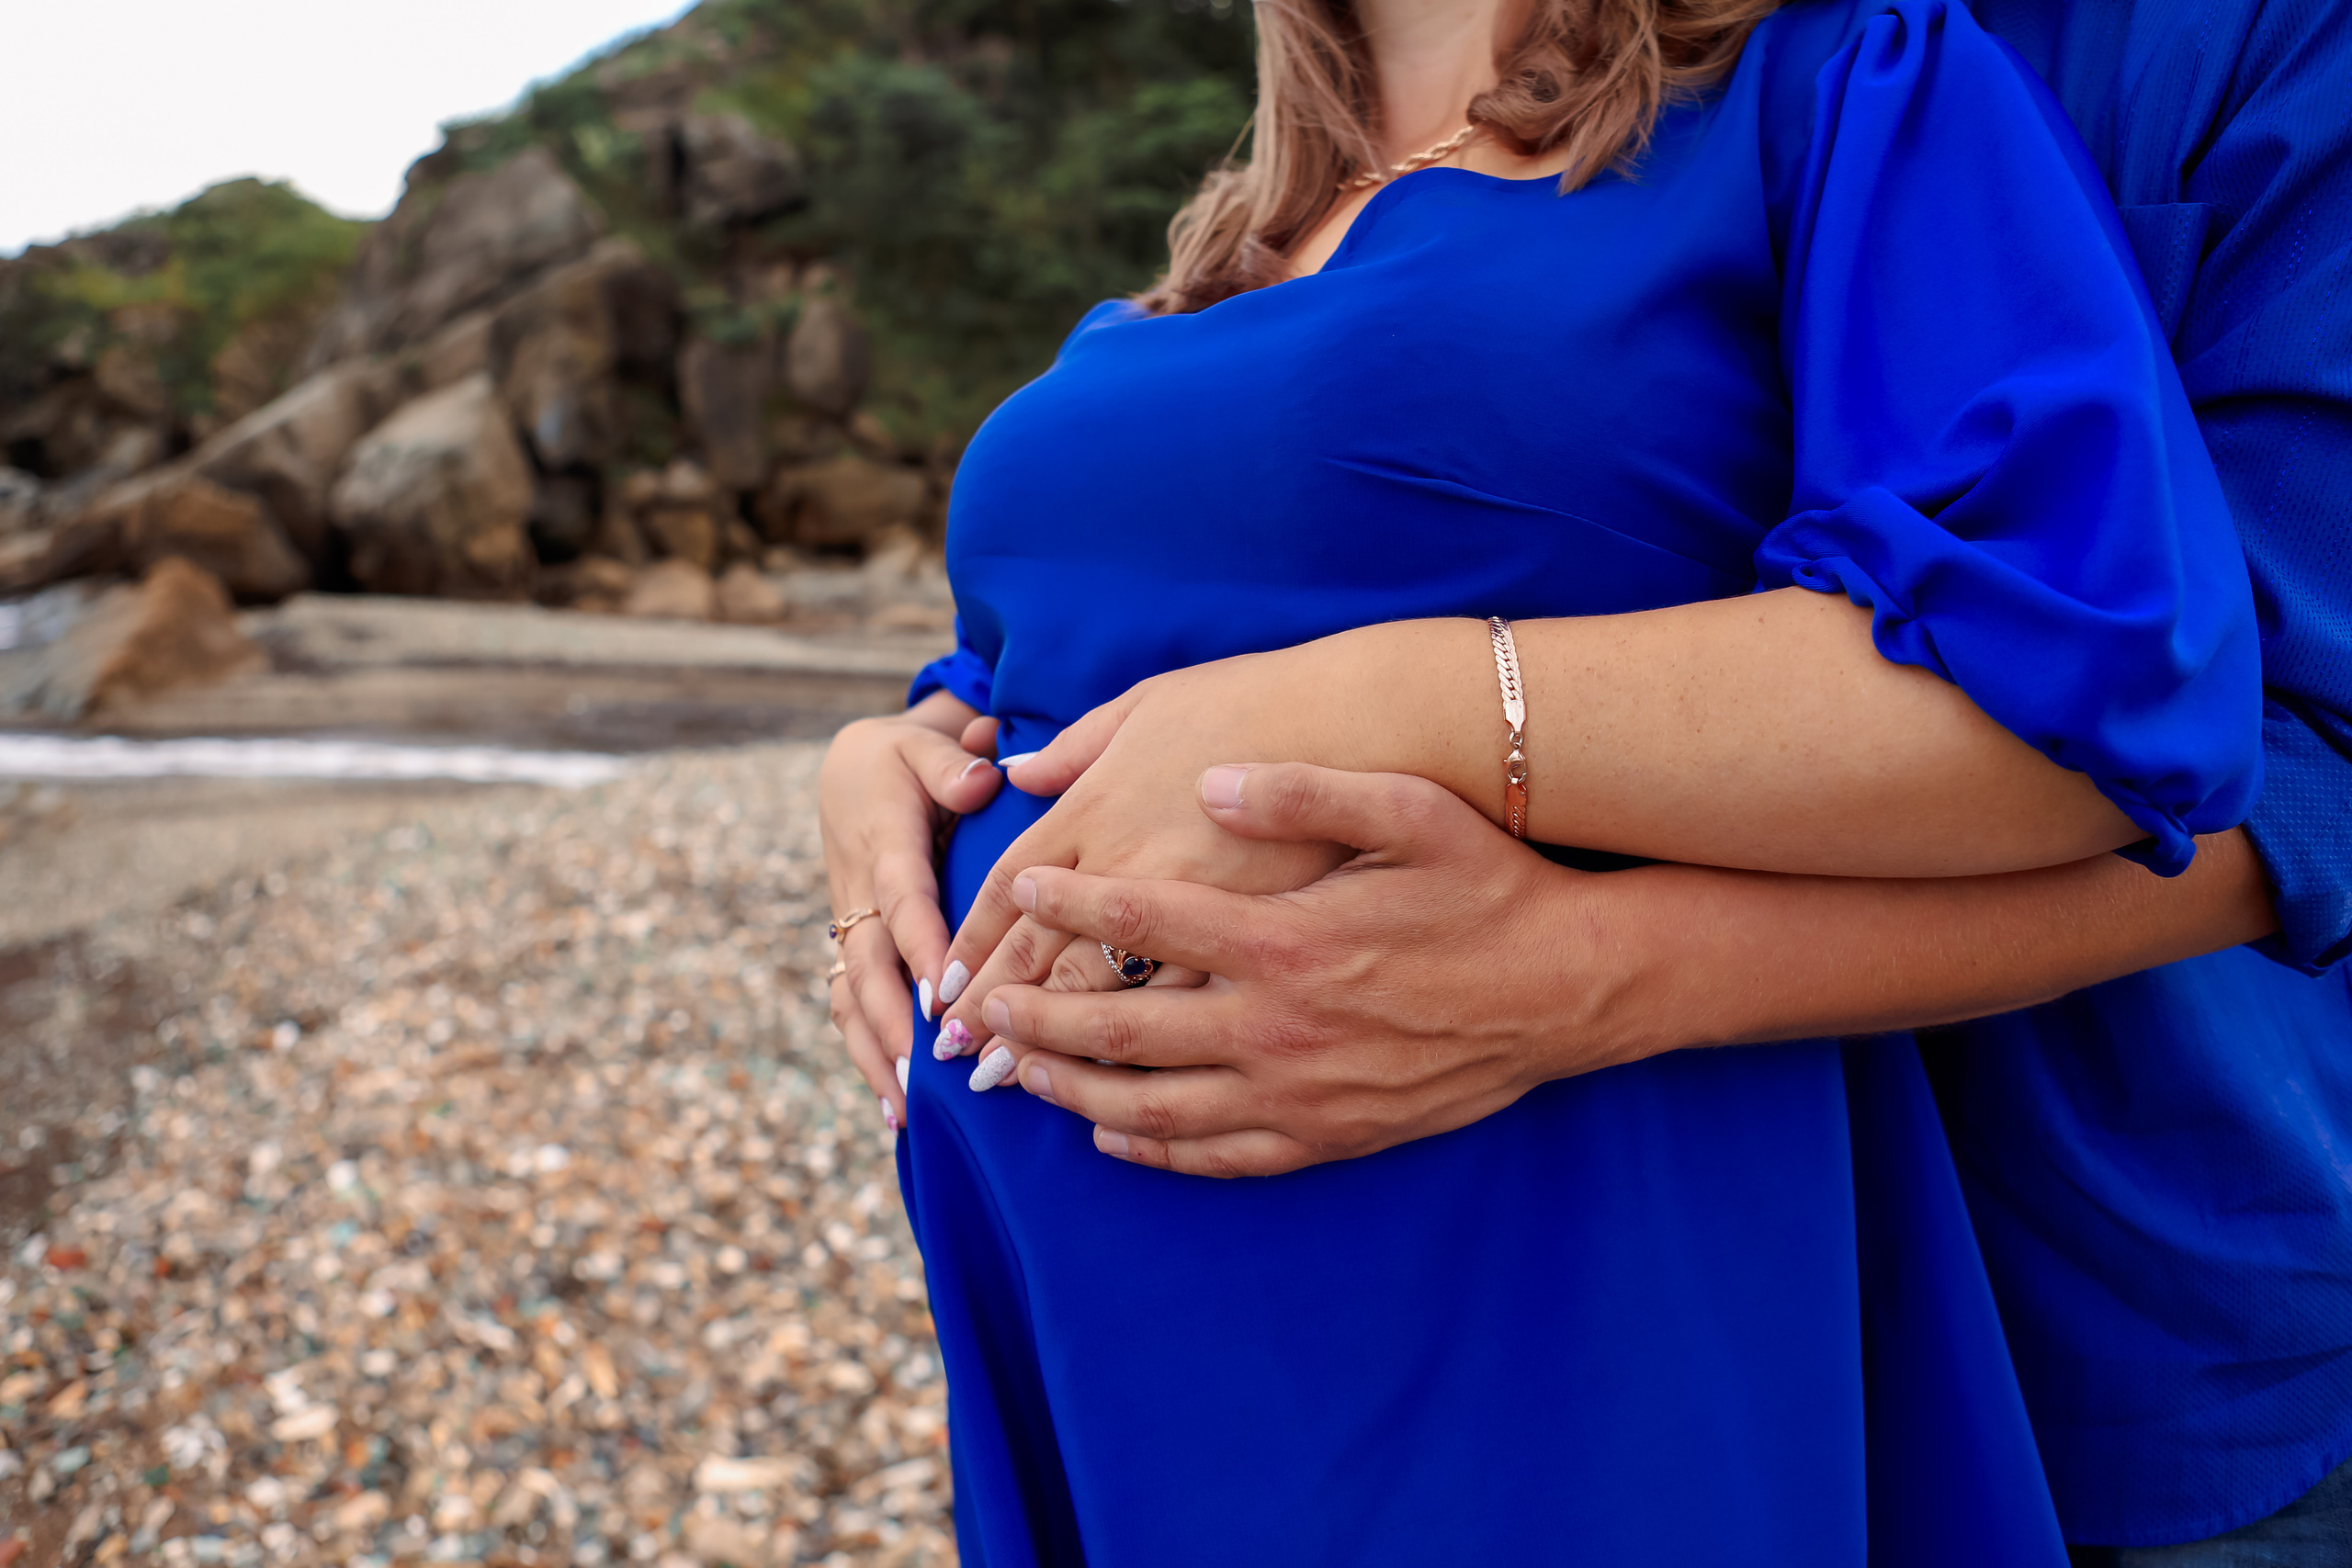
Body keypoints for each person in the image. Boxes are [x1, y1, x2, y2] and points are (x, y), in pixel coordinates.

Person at [848, 0, 2352, 1561]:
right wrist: (912, 754)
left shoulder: (1918, 68)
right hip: (1133, 1352)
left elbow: (2274, 749)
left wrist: (1557, 919)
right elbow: (1148, 617)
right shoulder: (1278, 207)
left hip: (2022, 1278)